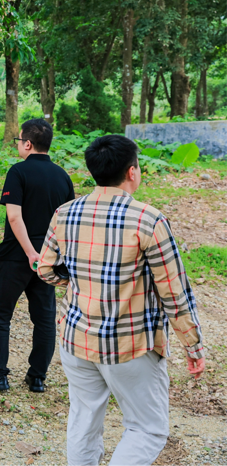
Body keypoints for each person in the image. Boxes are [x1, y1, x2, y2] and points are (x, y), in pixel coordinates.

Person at [38, 135, 205, 466]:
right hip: (131, 345)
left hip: (76, 338)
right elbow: (174, 293)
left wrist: (80, 282)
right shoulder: (148, 220)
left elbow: (45, 269)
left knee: (83, 421)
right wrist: (193, 346)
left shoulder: (65, 213)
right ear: (132, 171)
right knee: (147, 429)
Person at [0, 119, 74, 393]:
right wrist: (49, 256)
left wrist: (29, 253)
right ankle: (37, 377)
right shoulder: (63, 176)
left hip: (17, 255)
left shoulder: (18, 172)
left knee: (0, 313)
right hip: (49, 258)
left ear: (27, 143)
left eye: (18, 141)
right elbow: (66, 221)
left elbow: (14, 217)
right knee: (44, 317)